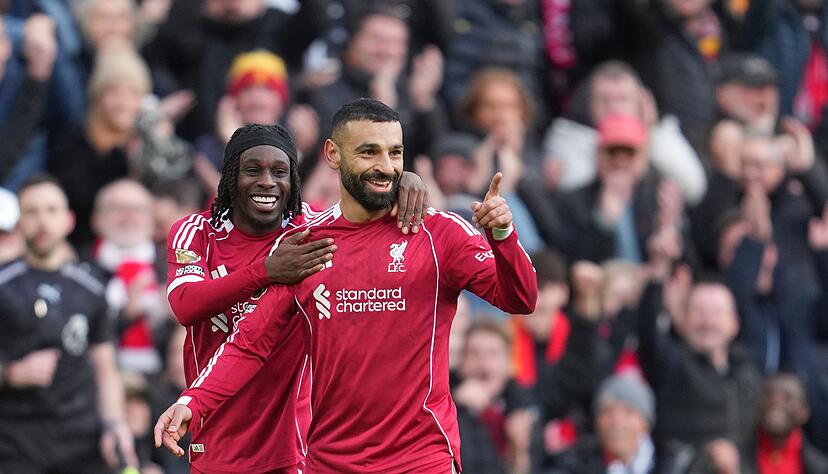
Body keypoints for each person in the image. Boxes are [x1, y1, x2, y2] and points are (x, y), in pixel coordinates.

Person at [155, 98, 538, 473]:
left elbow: (520, 298)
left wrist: (502, 235)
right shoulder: (307, 245)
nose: (385, 166)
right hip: (329, 461)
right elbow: (251, 342)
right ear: (333, 155)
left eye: (395, 153)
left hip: (421, 458)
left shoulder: (437, 232)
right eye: (369, 152)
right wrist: (192, 401)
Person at [163, 122, 429, 473]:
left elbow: (368, 223)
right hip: (216, 432)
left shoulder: (311, 232)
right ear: (230, 177)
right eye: (252, 170)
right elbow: (186, 304)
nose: (267, 182)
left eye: (280, 171)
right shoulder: (196, 232)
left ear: (294, 181)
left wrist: (402, 181)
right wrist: (266, 271)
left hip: (296, 441)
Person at [0, 175, 138, 472]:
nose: (42, 222)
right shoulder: (3, 284)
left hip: (81, 442)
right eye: (32, 212)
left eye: (51, 210)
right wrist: (11, 373)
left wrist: (115, 423)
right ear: (19, 223)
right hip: (14, 442)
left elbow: (105, 367)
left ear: (69, 220)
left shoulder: (93, 287)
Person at [553, 373, 694, 474]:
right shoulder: (574, 461)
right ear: (596, 422)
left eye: (628, 412)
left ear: (645, 423)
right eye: (607, 412)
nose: (617, 422)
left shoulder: (676, 463)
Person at [746, 373, 828, 473]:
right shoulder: (735, 459)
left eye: (787, 397)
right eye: (768, 394)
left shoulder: (819, 467)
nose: (775, 402)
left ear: (804, 412)